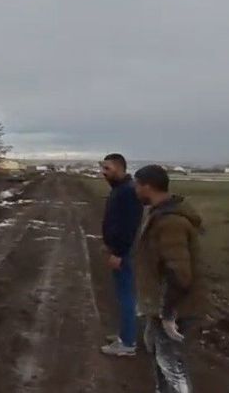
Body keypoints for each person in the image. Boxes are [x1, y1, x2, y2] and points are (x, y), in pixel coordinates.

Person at [133, 164, 207, 393]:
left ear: (147, 186)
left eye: (137, 185)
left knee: (171, 364)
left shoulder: (170, 222)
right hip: (162, 303)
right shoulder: (159, 214)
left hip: (175, 307)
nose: (135, 190)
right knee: (159, 356)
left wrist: (167, 314)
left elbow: (180, 274)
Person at [99, 153, 144, 357]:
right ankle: (125, 334)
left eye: (107, 169)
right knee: (123, 294)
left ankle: (127, 343)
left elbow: (128, 226)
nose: (103, 172)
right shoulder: (120, 189)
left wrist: (118, 251)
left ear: (119, 167)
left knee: (126, 296)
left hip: (123, 253)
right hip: (119, 249)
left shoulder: (127, 191)